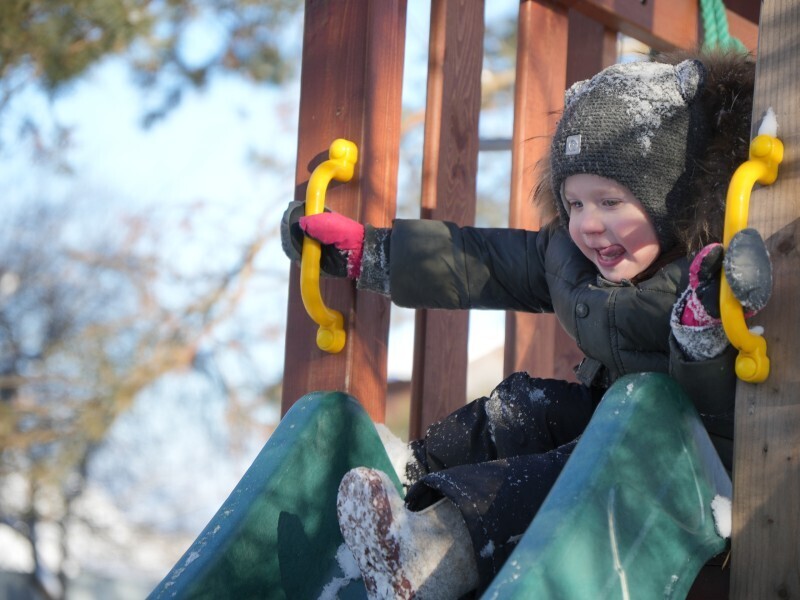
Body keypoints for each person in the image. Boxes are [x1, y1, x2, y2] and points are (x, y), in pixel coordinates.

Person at [282, 51, 768, 599]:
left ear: (670, 205)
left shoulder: (707, 277)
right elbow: (481, 261)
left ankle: (437, 548)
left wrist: (700, 330)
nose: (588, 223)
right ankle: (403, 479)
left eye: (610, 201)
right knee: (523, 403)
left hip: (690, 479)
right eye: (574, 202)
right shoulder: (576, 259)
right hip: (612, 427)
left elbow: (720, 409)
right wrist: (370, 254)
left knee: (567, 472)